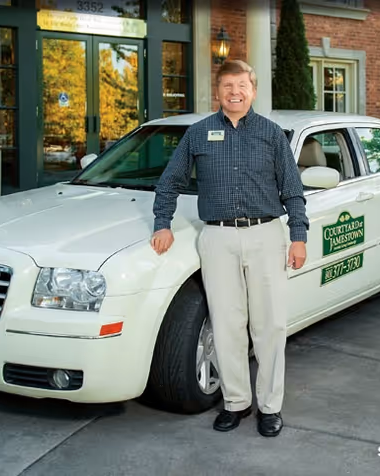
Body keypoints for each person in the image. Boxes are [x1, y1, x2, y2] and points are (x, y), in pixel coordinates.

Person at [150, 59, 308, 437]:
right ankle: (236, 402)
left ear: (253, 90)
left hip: (266, 234)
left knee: (270, 325)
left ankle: (270, 407)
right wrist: (162, 224)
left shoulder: (272, 135)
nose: (234, 92)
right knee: (226, 325)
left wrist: (299, 236)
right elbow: (169, 181)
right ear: (217, 92)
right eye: (227, 86)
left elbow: (293, 190)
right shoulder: (198, 134)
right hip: (217, 238)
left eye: (242, 85)